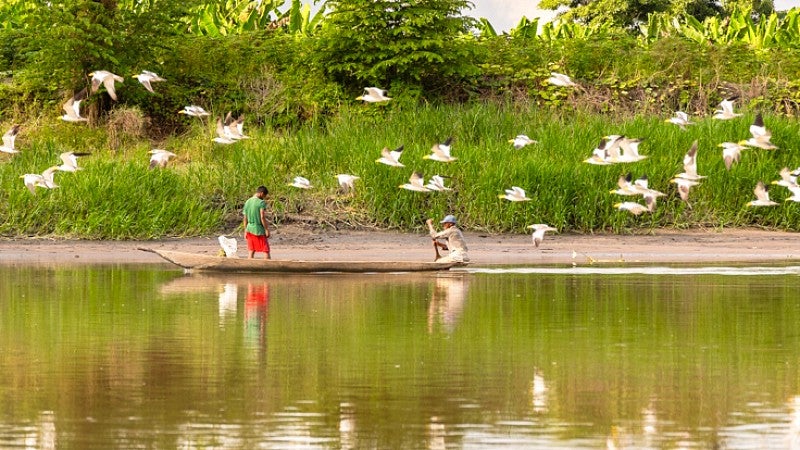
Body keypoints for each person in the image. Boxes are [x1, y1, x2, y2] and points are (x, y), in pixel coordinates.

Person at [242, 185, 271, 259]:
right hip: (258, 230)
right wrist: (266, 229)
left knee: (251, 250)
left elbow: (245, 218)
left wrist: (245, 230)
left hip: (249, 228)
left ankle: (249, 266)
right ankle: (268, 266)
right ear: (261, 193)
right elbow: (262, 217)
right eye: (264, 195)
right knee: (265, 250)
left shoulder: (248, 201)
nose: (264, 197)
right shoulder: (261, 202)